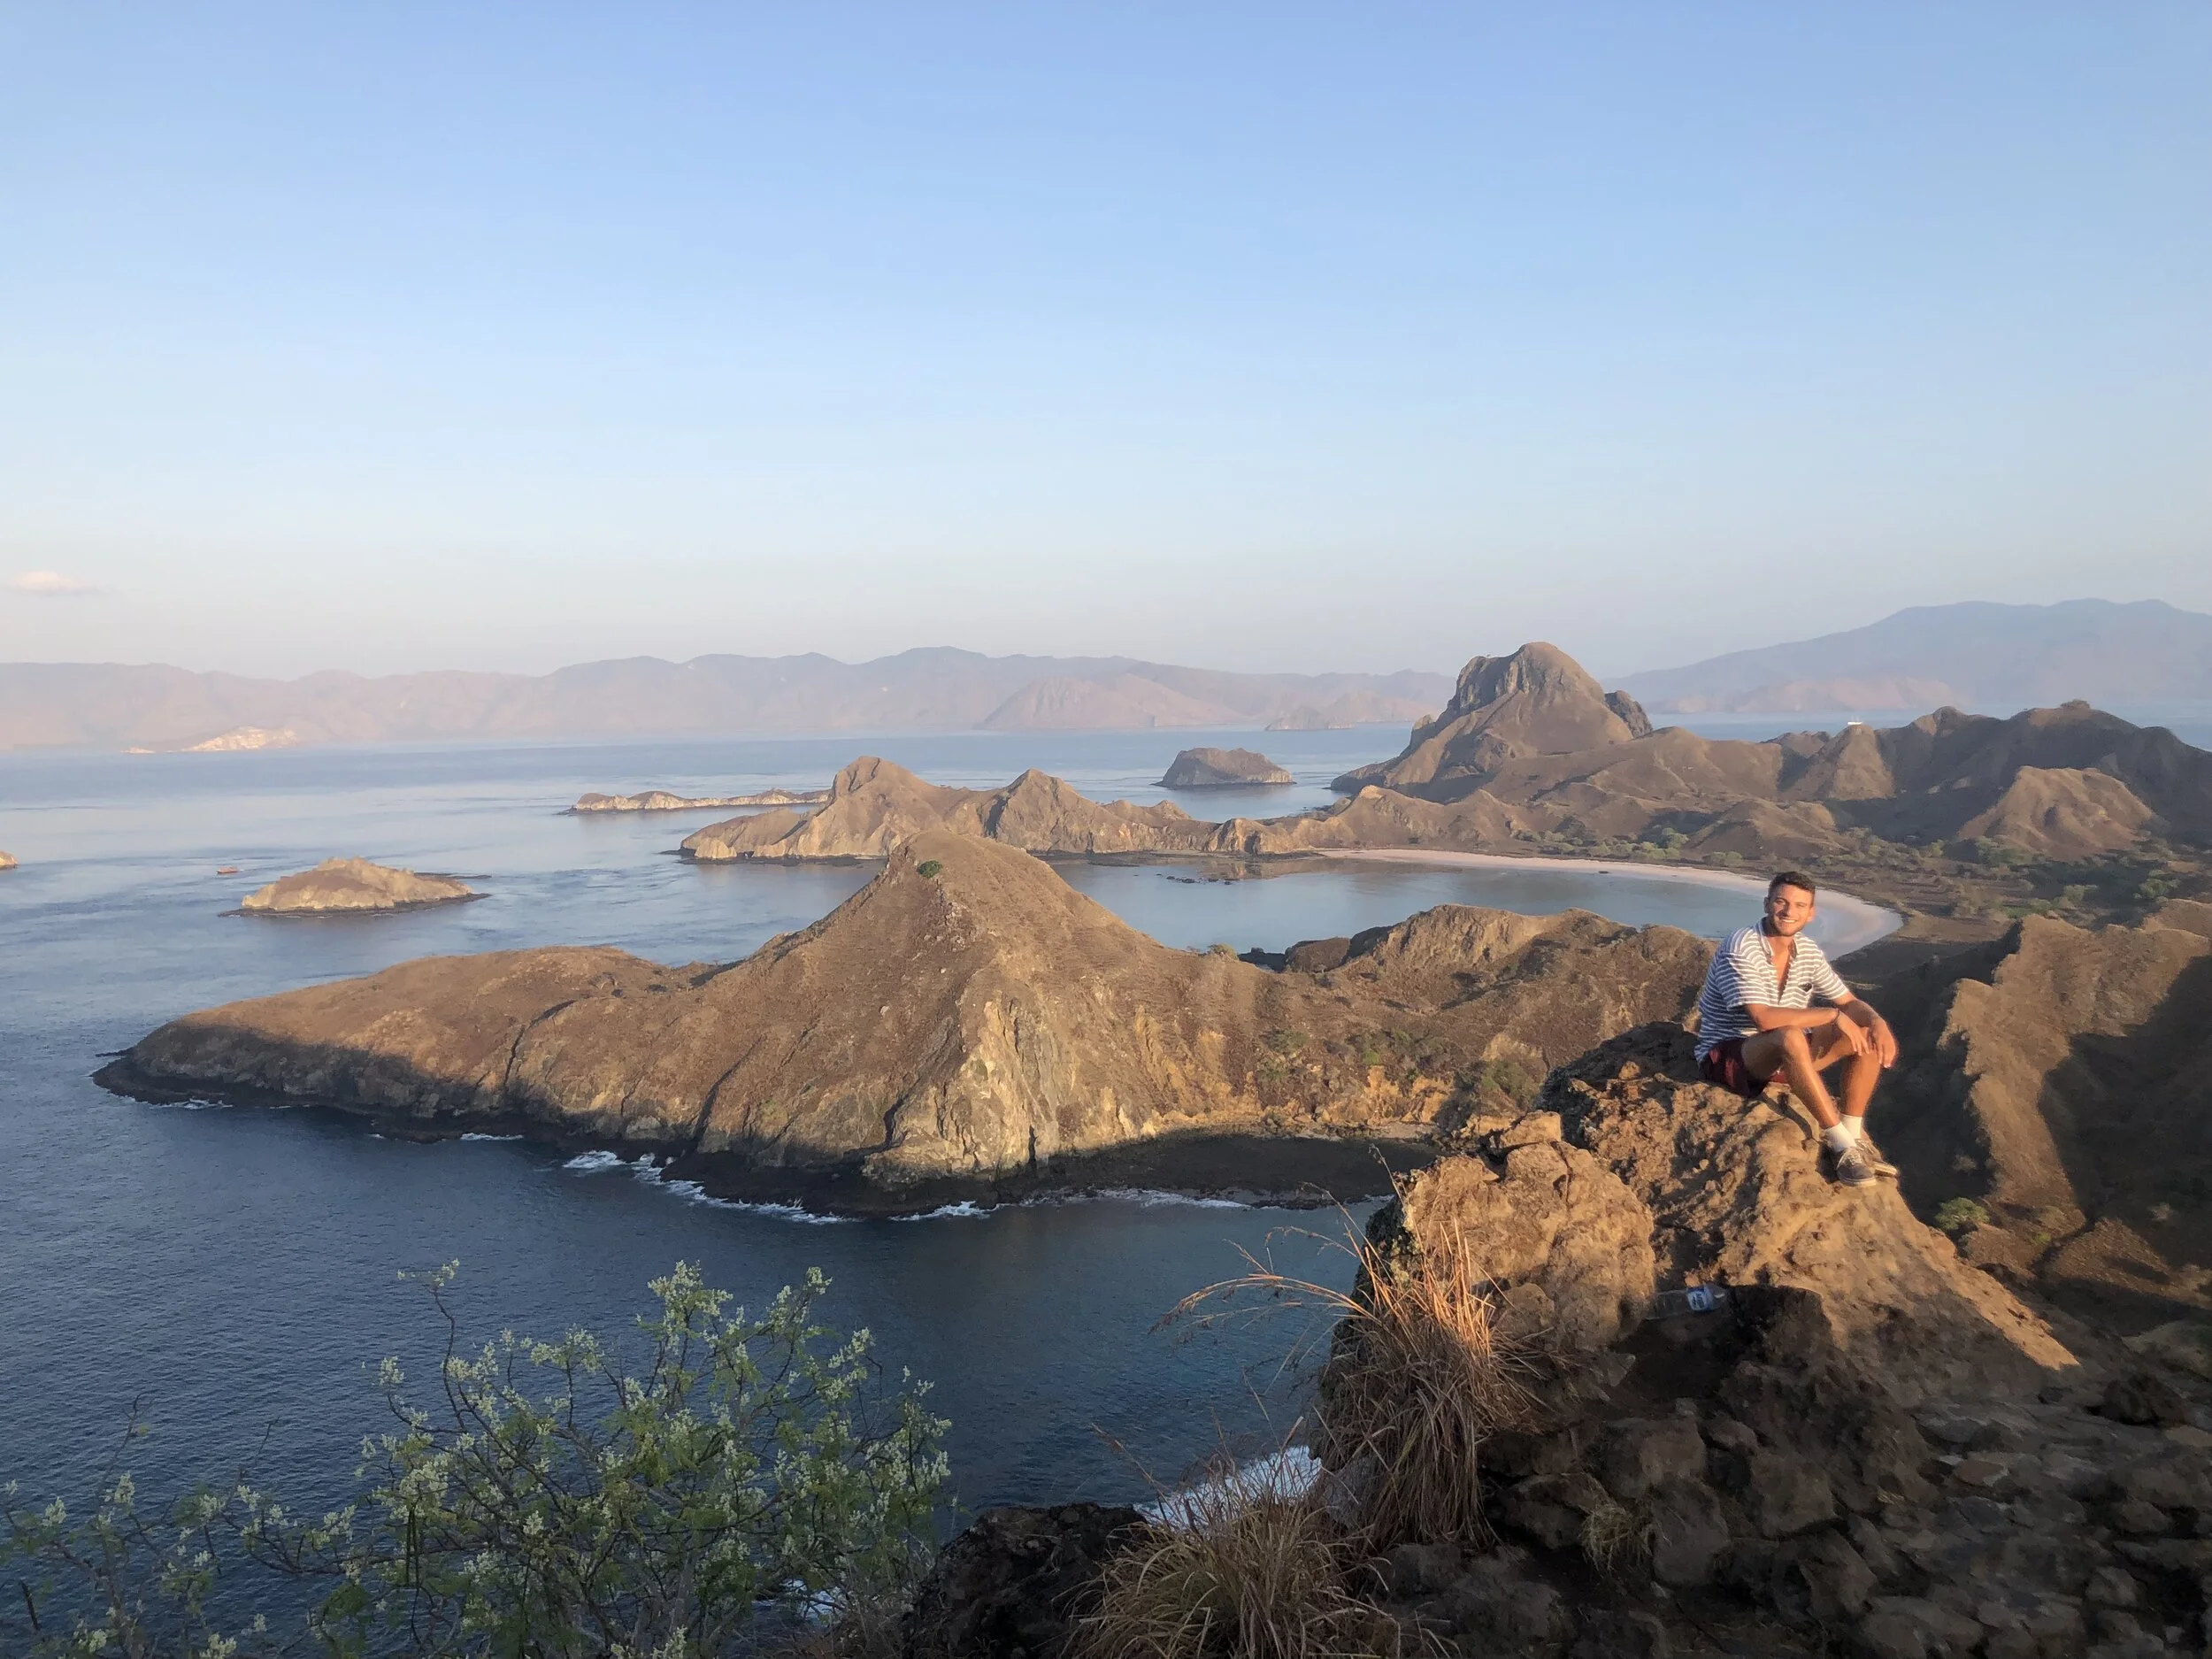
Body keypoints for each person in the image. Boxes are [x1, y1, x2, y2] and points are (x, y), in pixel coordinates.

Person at [1692, 871, 1900, 1187]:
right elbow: (1763, 1019)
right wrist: (1831, 1016)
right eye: (1781, 902)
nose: (1789, 912)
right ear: (1767, 904)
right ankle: (1840, 1145)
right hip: (1732, 1056)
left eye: (1800, 905)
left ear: (1811, 913)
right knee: (1789, 1034)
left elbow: (1848, 1001)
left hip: (1787, 1056)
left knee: (1864, 1031)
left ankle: (1854, 1137)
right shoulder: (1742, 946)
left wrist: (1877, 1022)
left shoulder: (1807, 951)